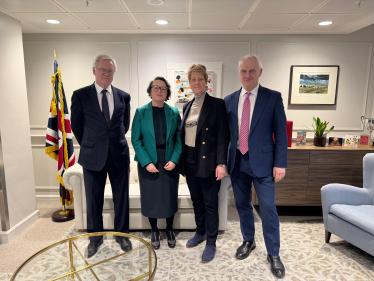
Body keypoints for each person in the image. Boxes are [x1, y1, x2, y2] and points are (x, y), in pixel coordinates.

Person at [224, 54, 287, 278]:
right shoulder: (229, 100)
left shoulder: (272, 97)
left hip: (264, 164)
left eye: (252, 71)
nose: (248, 75)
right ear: (239, 73)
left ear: (260, 72)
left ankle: (274, 253)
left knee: (268, 209)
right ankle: (248, 240)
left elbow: (280, 134)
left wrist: (280, 164)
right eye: (243, 71)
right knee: (242, 206)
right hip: (238, 162)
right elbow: (225, 135)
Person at [71, 54, 132, 258]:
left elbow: (125, 125)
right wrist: (91, 144)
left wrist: (112, 142)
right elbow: (77, 127)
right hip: (92, 156)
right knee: (93, 199)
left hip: (119, 155)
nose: (107, 73)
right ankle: (95, 239)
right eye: (103, 69)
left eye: (110, 70)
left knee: (121, 198)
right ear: (94, 70)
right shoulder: (80, 95)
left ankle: (122, 235)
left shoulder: (123, 96)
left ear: (114, 73)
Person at [180, 64, 230, 263]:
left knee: (210, 203)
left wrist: (221, 163)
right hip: (190, 159)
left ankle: (211, 241)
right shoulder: (187, 105)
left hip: (208, 161)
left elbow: (223, 137)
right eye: (193, 79)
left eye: (200, 79)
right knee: (197, 200)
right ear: (189, 82)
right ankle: (200, 232)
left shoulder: (217, 104)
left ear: (206, 81)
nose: (197, 82)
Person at [131, 76, 182, 250]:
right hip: (148, 162)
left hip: (169, 162)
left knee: (169, 196)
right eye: (156, 87)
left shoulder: (174, 113)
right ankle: (154, 230)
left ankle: (169, 229)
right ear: (150, 90)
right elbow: (136, 140)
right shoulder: (140, 112)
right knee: (151, 198)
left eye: (163, 88)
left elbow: (179, 140)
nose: (159, 91)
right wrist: (146, 162)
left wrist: (175, 160)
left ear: (167, 92)